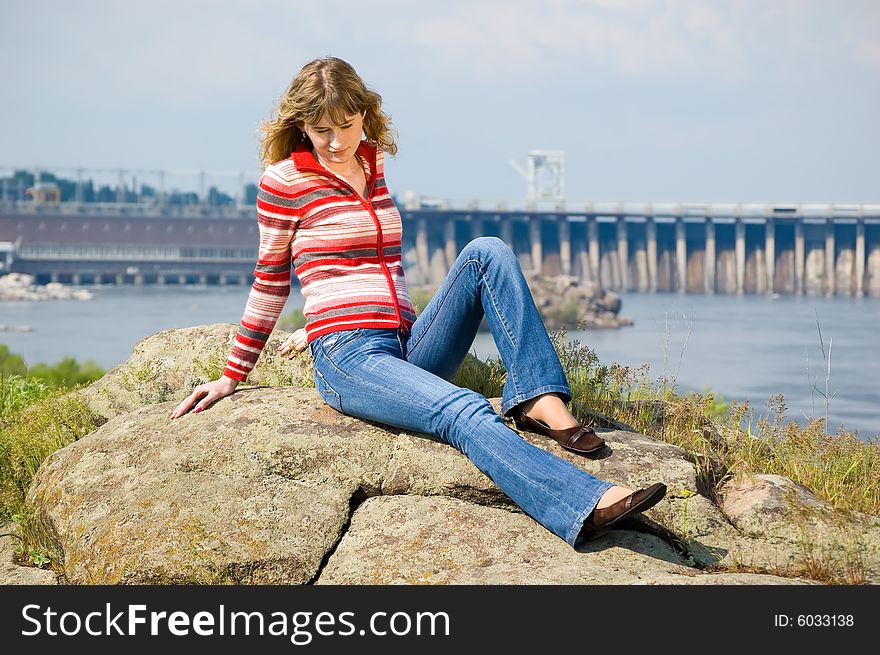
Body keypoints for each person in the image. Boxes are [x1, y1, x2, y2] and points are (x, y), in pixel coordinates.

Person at [169, 57, 666, 546]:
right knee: (466, 411)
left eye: (346, 125)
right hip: (350, 356)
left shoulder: (371, 160)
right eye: (322, 131)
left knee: (485, 254)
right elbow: (271, 280)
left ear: (364, 113)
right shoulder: (284, 182)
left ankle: (538, 397)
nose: (337, 142)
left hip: (408, 342)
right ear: (302, 126)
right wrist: (234, 374)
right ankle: (586, 504)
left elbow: (368, 261)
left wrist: (322, 312)